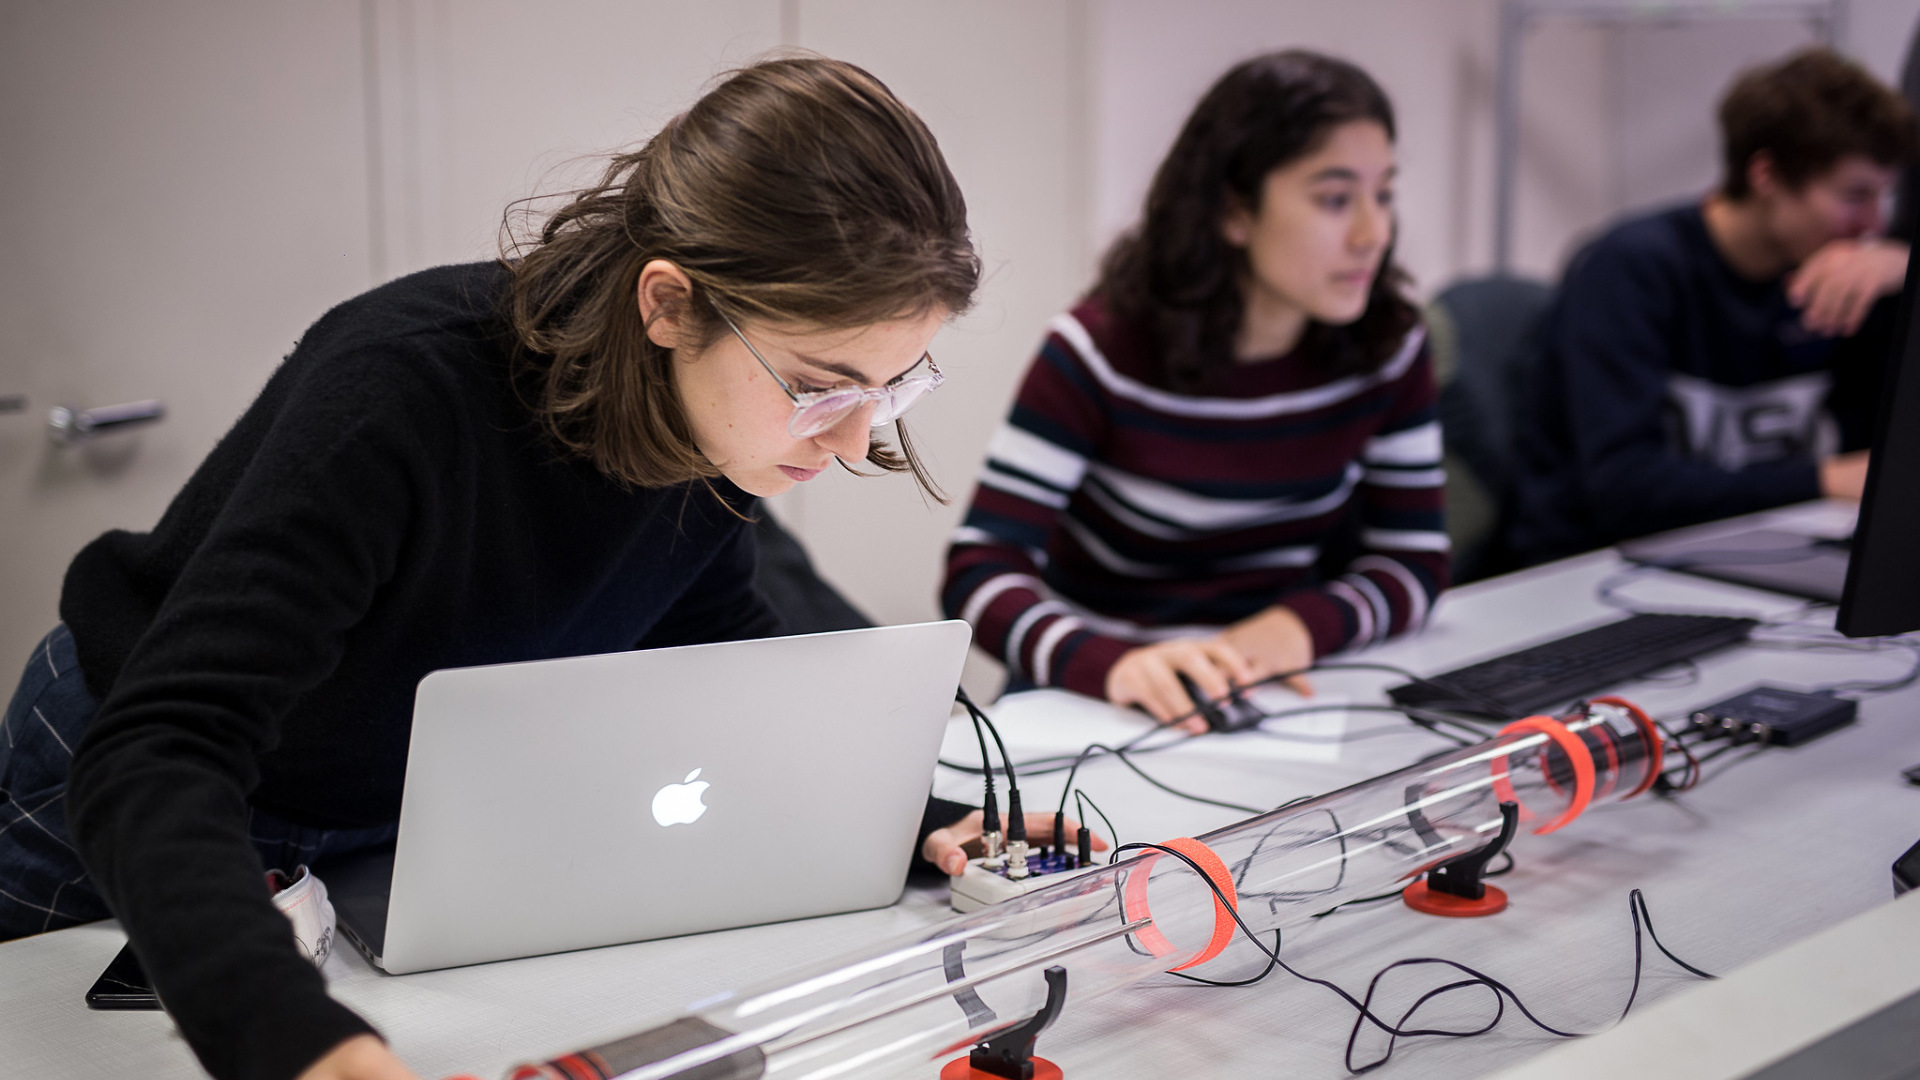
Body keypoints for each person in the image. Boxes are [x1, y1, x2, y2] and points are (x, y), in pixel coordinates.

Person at [0, 57, 1068, 1080]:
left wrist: (908, 816)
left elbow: (707, 646)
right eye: (819, 387)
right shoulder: (402, 391)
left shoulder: (715, 419)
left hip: (375, 799)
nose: (847, 443)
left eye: (890, 390)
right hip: (142, 782)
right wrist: (294, 1042)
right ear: (668, 303)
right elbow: (162, 748)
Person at [940, 51, 1448, 729]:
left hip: (1272, 688)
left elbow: (1416, 559)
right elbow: (978, 571)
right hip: (1101, 695)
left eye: (1383, 193)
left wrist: (1297, 629)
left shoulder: (1389, 347)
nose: (1373, 233)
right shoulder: (1100, 351)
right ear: (1234, 211)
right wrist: (1112, 662)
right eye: (1334, 199)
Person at [1508, 48, 1917, 564]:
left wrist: (1906, 269)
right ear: (1766, 175)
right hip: (1592, 573)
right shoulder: (1630, 269)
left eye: (1885, 197)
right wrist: (1824, 478)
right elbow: (1625, 490)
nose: (1873, 225)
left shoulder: (1849, 276)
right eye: (1855, 195)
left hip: (1764, 550)